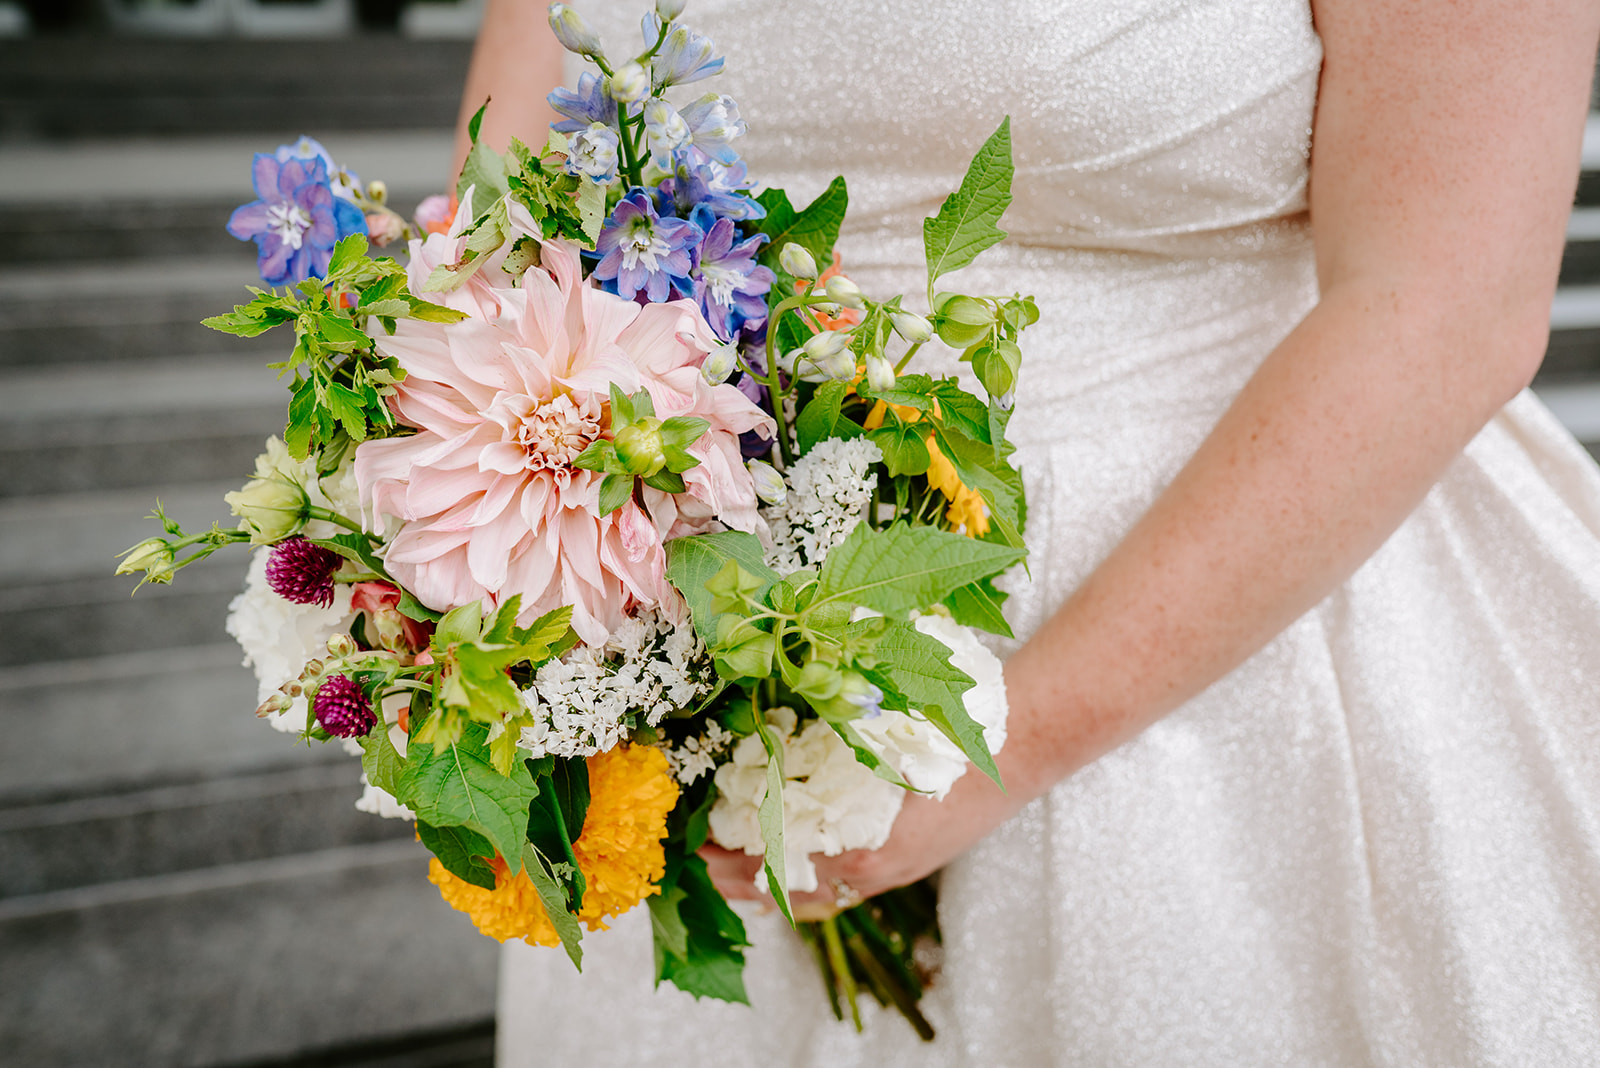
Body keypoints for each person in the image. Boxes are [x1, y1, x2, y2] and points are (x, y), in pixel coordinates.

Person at [460, 0, 1600, 1063]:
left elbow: (1449, 306)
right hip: (685, 642)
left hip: (1224, 648)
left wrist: (999, 748)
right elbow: (499, 215)